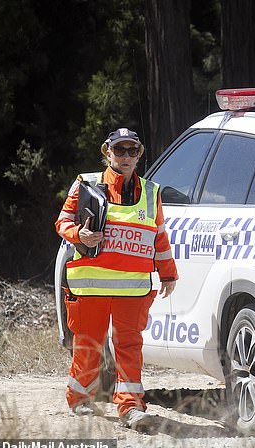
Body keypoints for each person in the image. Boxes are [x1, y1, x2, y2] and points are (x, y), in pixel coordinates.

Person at [55, 128, 178, 429]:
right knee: (89, 344)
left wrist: (168, 273)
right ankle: (80, 398)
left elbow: (159, 237)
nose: (125, 156)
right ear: (107, 152)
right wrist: (78, 234)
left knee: (129, 346)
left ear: (140, 153)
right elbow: (62, 221)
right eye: (119, 150)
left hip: (134, 289)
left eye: (131, 150)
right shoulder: (86, 184)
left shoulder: (151, 192)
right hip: (89, 286)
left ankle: (131, 407)